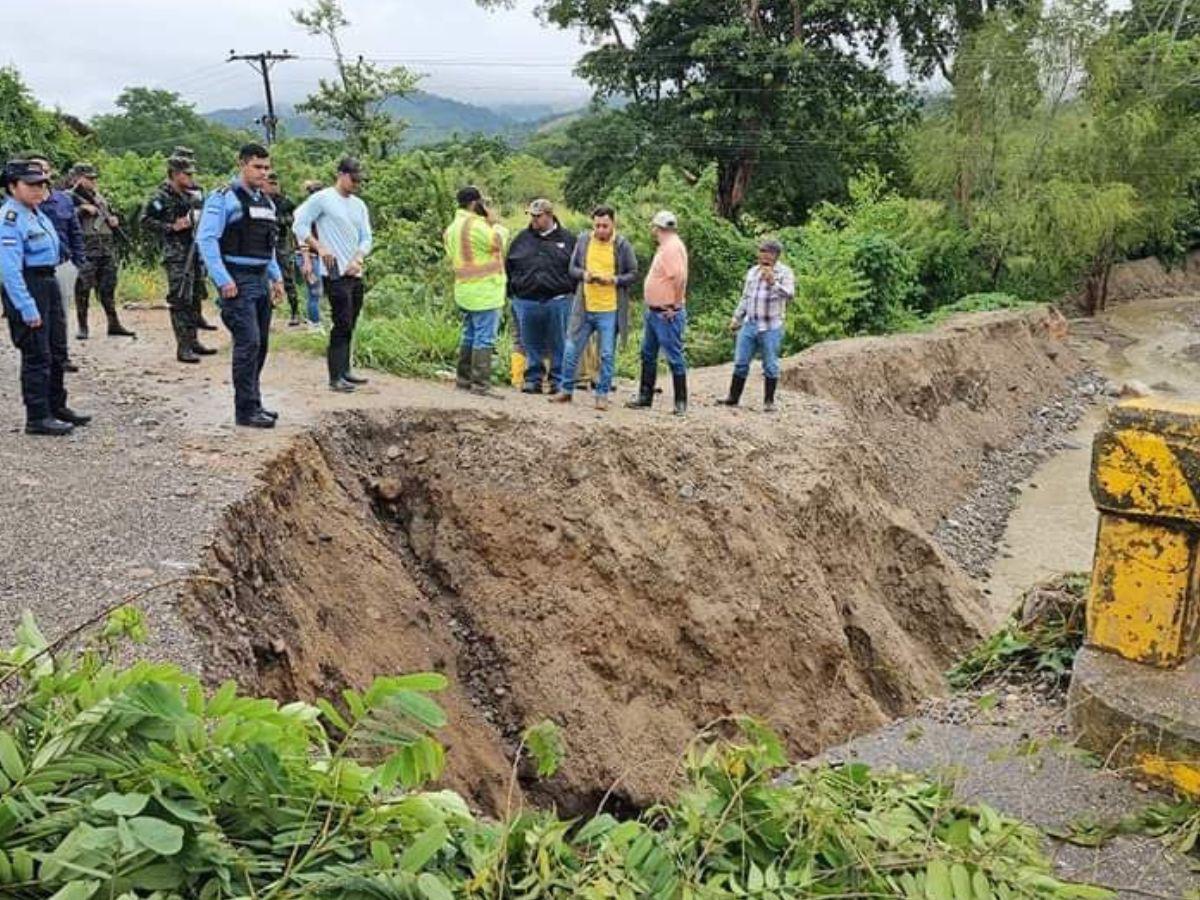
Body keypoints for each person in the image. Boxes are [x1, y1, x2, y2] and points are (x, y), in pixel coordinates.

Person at [196, 143, 285, 429]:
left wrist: (277, 277)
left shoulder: (265, 201)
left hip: (260, 277)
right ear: (242, 164)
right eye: (257, 167)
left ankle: (254, 402)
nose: (263, 172)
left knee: (261, 346)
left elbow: (267, 245)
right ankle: (245, 410)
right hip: (237, 279)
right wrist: (223, 279)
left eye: (266, 167)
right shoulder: (224, 198)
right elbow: (206, 240)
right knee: (248, 343)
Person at [0, 160, 91, 435]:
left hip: (49, 281)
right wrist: (26, 306)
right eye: (31, 184)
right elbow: (9, 270)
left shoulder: (36, 212)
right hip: (30, 284)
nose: (39, 189)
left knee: (57, 349)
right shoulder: (10, 219)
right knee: (37, 352)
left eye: (41, 183)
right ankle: (38, 416)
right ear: (12, 187)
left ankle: (57, 406)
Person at [292, 158, 373, 393]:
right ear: (341, 174)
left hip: (355, 271)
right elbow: (300, 224)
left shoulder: (359, 205)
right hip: (334, 271)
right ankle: (335, 376)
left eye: (359, 180)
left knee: (352, 320)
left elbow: (367, 236)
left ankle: (346, 370)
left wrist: (359, 256)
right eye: (353, 178)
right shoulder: (323, 199)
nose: (356, 184)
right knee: (342, 321)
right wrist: (318, 247)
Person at [550, 205, 637, 411]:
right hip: (585, 305)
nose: (600, 230)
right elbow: (572, 269)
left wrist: (615, 280)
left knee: (606, 353)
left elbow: (633, 273)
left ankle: (602, 394)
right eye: (597, 225)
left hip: (610, 308)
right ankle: (566, 390)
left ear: (613, 224)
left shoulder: (622, 245)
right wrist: (585, 275)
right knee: (571, 348)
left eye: (605, 226)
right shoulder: (583, 241)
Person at [141, 155, 215, 364]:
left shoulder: (192, 194)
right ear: (175, 174)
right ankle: (183, 347)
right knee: (180, 298)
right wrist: (171, 227)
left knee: (193, 299)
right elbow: (145, 220)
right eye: (187, 174)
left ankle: (193, 341)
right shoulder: (160, 197)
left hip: (194, 251)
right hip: (176, 254)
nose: (192, 177)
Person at [505, 198, 576, 394]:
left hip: (558, 299)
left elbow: (577, 268)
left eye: (538, 216)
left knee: (559, 342)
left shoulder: (568, 240)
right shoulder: (521, 239)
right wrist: (513, 291)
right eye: (532, 216)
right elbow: (509, 266)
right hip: (527, 299)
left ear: (549, 215)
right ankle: (533, 378)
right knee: (530, 342)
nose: (534, 220)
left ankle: (558, 380)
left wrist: (572, 291)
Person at [719, 239, 795, 413]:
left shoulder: (785, 272)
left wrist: (773, 283)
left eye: (767, 252)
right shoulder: (753, 272)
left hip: (771, 326)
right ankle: (733, 397)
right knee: (740, 362)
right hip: (750, 323)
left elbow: (790, 294)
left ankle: (769, 401)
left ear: (776, 255)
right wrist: (736, 317)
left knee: (770, 364)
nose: (763, 256)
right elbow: (746, 297)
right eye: (761, 252)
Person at [444, 186, 507, 396]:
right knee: (484, 338)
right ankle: (481, 384)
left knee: (469, 335)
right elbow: (497, 243)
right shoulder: (477, 225)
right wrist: (496, 224)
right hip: (485, 291)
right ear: (475, 203)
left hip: (464, 290)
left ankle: (463, 380)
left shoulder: (452, 227)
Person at [627, 210, 690, 415]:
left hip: (666, 313)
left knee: (673, 356)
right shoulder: (668, 246)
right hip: (655, 312)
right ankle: (646, 396)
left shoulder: (671, 247)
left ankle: (680, 402)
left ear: (658, 228)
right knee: (648, 353)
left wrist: (675, 304)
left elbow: (679, 277)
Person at [27, 155, 84, 372]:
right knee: (38, 314)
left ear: (50, 173)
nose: (39, 173)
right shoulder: (24, 203)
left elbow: (75, 232)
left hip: (63, 265)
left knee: (60, 314)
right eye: (34, 169)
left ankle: (61, 356)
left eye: (43, 169)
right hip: (35, 270)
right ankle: (42, 357)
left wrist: (77, 262)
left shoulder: (63, 200)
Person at [68, 163, 135, 340]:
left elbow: (107, 215)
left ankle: (114, 324)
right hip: (86, 248)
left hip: (105, 247)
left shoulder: (99, 197)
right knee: (83, 288)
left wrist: (113, 220)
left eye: (94, 178)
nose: (93, 181)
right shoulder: (70, 197)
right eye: (89, 178)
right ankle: (83, 327)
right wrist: (81, 210)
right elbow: (63, 217)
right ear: (78, 178)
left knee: (108, 287)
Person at [264, 172, 301, 327]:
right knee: (264, 279)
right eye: (270, 183)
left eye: (275, 184)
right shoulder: (260, 200)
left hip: (282, 242)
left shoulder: (286, 202)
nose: (273, 187)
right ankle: (266, 314)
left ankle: (295, 312)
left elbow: (294, 221)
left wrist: (280, 220)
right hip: (263, 242)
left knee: (287, 277)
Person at [295, 180, 325, 329]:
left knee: (317, 291)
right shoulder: (304, 211)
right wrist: (306, 261)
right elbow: (302, 238)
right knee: (314, 290)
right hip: (307, 257)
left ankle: (315, 320)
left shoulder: (315, 210)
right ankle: (314, 324)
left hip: (316, 256)